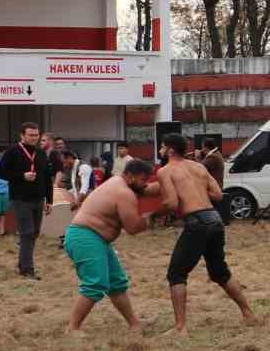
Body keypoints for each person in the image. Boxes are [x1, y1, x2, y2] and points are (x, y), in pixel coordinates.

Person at [155, 134, 257, 335]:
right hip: (215, 219)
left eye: (162, 147)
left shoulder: (165, 171)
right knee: (220, 272)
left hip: (196, 222)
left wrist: (152, 214)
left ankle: (180, 328)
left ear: (170, 150)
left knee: (176, 274)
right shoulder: (199, 167)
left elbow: (172, 203)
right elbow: (218, 195)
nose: (160, 151)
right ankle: (248, 313)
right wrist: (197, 192)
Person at [63, 159, 154, 333]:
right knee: (95, 284)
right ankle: (72, 329)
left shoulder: (118, 183)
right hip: (85, 236)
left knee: (116, 283)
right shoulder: (123, 192)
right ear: (129, 176)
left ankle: (134, 324)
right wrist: (152, 218)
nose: (145, 184)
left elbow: (149, 189)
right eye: (143, 180)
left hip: (95, 238)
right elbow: (133, 228)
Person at [0, 122, 55, 279]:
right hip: (20, 199)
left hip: (38, 199)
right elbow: (0, 173)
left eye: (37, 135)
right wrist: (21, 175)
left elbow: (47, 178)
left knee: (33, 233)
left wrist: (49, 200)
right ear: (22, 135)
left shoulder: (40, 153)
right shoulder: (12, 151)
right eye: (31, 135)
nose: (34, 138)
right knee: (27, 233)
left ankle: (23, 264)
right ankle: (27, 269)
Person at [200, 141, 228, 218]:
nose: (201, 149)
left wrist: (197, 157)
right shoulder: (216, 154)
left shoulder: (213, 157)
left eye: (202, 147)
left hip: (214, 185)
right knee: (214, 205)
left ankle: (219, 219)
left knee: (214, 205)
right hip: (216, 184)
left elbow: (200, 168)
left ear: (206, 147)